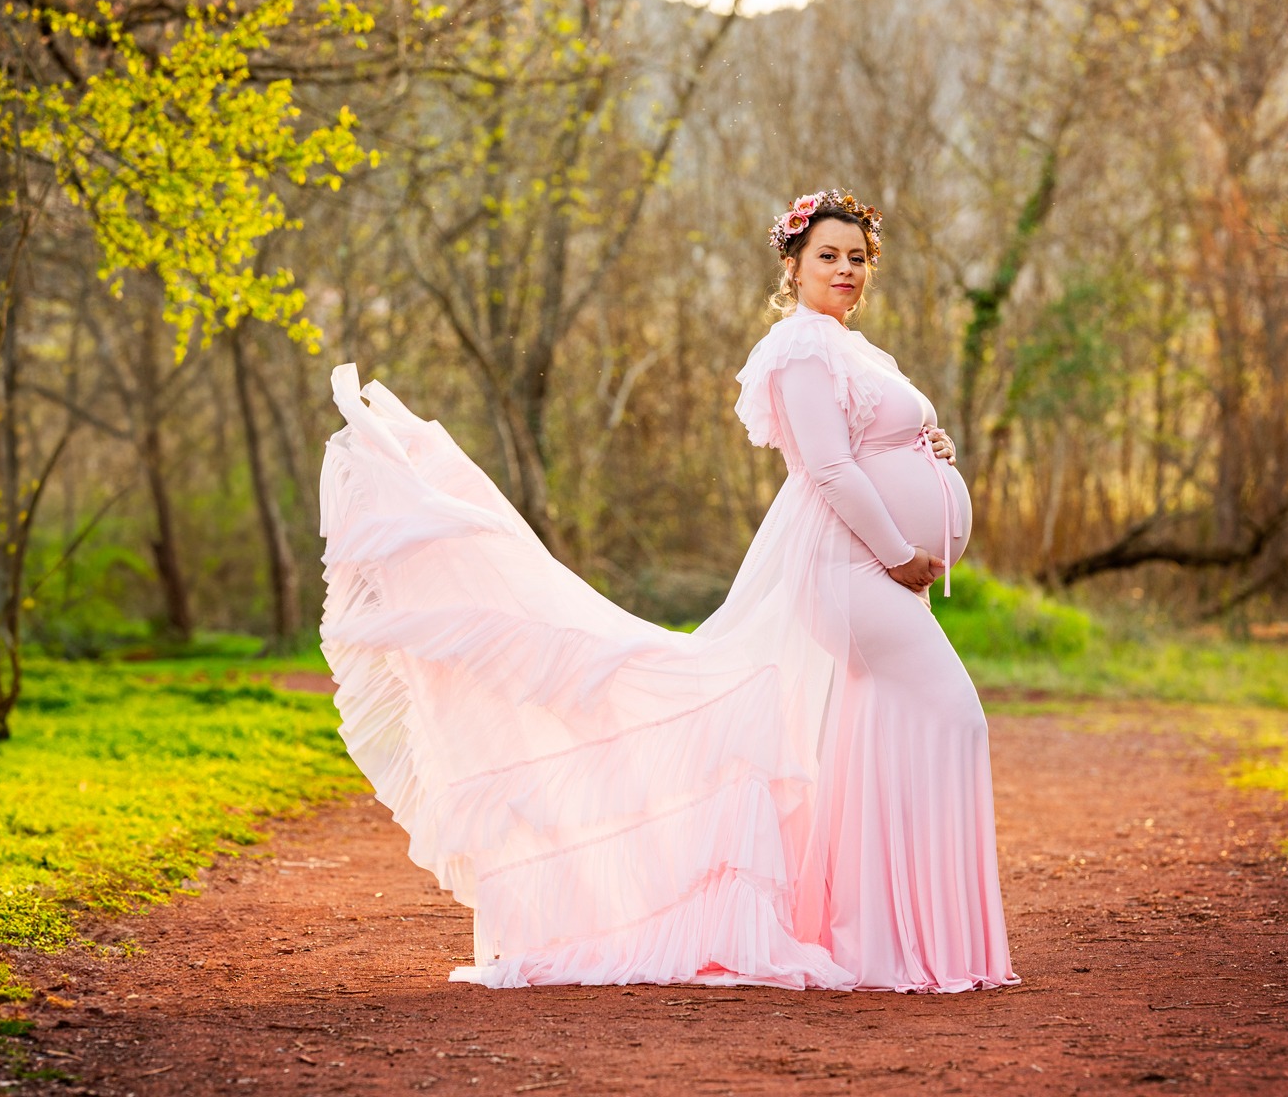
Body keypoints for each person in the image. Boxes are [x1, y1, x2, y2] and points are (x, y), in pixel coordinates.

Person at [318, 188, 1017, 993]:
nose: (846, 269)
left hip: (877, 573)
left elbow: (873, 437)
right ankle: (915, 943)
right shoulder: (798, 350)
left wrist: (931, 447)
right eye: (827, 255)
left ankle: (891, 946)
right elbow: (826, 469)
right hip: (855, 573)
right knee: (955, 717)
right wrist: (899, 552)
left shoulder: (857, 351)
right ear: (793, 266)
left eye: (857, 257)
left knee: (875, 745)